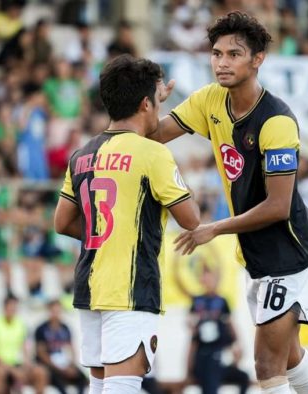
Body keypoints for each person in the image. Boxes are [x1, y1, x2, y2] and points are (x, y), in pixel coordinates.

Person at [153, 11, 308, 394]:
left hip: (288, 250)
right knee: (291, 356)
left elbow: (278, 205)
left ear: (258, 59)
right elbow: (155, 134)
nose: (222, 63)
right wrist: (151, 104)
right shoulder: (210, 100)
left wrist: (212, 228)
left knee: (267, 365)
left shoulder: (277, 121)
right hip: (256, 254)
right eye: (217, 54)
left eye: (234, 54)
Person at [54, 54, 200, 394]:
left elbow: (62, 222)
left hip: (90, 287)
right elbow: (191, 219)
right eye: (156, 103)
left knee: (100, 387)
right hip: (131, 289)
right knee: (123, 388)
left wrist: (112, 233)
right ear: (147, 103)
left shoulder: (82, 154)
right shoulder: (152, 153)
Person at [182, 267, 249, 394]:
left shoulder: (221, 301)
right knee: (210, 380)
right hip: (204, 357)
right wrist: (188, 368)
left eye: (210, 278)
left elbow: (231, 325)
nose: (208, 281)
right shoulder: (197, 301)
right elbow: (191, 331)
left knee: (243, 377)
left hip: (218, 356)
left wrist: (237, 345)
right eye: (205, 278)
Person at [0, 296, 47, 394]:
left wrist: (26, 364)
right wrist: (12, 370)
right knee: (0, 373)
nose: (12, 309)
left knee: (40, 372)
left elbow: (26, 349)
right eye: (10, 306)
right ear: (4, 307)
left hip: (14, 363)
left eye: (15, 307)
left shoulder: (22, 325)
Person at [35, 300, 88, 394]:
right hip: (50, 366)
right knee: (59, 383)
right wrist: (59, 368)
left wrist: (71, 364)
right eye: (53, 311)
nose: (56, 314)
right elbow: (41, 353)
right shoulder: (41, 329)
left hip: (64, 363)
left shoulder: (65, 328)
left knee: (83, 379)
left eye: (58, 311)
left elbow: (71, 349)